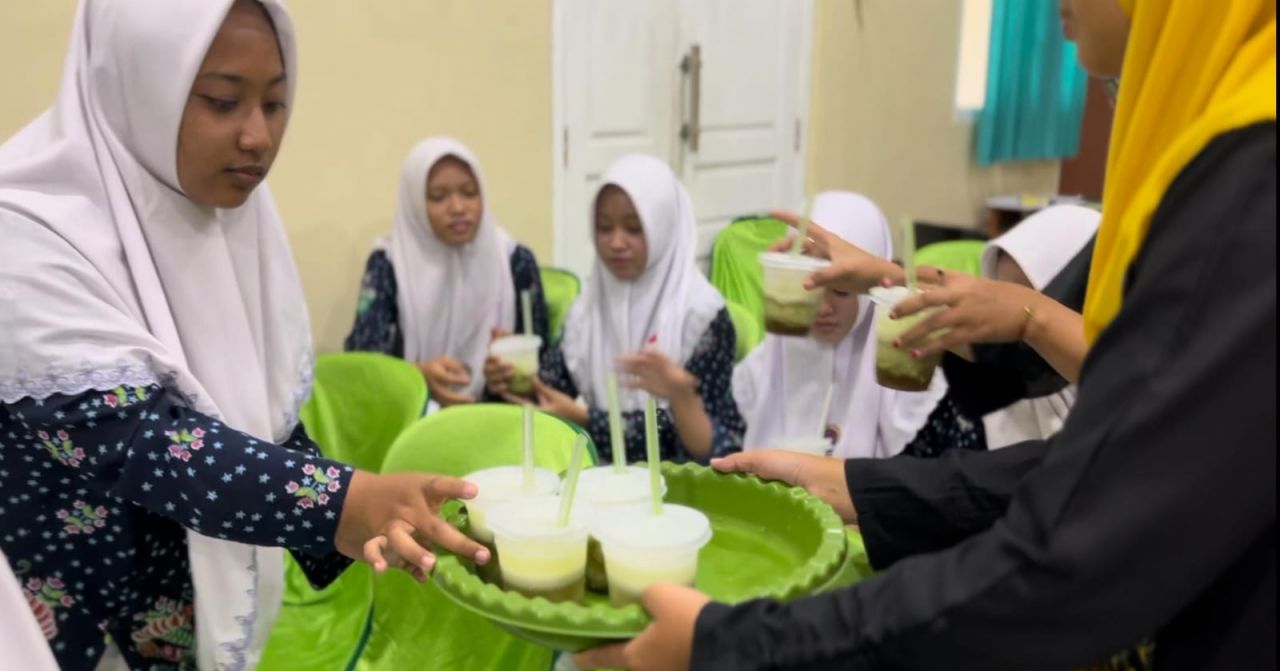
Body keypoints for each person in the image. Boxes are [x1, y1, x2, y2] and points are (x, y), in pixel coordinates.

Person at [575, 2, 1276, 671]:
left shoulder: (1252, 178)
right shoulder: (1224, 148)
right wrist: (855, 485)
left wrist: (736, 659)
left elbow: (1077, 545)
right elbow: (1108, 468)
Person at [0, 2, 486, 671]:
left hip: (179, 642)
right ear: (138, 83)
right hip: (66, 647)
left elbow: (251, 413)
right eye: (223, 101)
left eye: (275, 102)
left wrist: (382, 528)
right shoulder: (24, 231)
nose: (258, 136)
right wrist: (344, 502)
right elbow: (142, 440)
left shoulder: (226, 218)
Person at [488, 154, 744, 462]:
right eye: (604, 227)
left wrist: (678, 396)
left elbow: (717, 446)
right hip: (601, 478)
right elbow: (551, 392)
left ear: (664, 227)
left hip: (681, 483)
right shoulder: (586, 311)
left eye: (634, 228)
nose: (616, 243)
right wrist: (512, 375)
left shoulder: (701, 316)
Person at [734, 191, 982, 460]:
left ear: (869, 284)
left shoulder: (910, 379)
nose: (823, 308)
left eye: (842, 291)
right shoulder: (762, 366)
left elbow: (945, 474)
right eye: (807, 287)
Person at [343, 137, 549, 408]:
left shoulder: (514, 260)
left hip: (499, 417)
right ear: (415, 203)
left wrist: (512, 368)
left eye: (469, 192)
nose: (458, 208)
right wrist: (417, 377)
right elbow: (362, 364)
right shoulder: (389, 264)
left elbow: (548, 366)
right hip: (413, 416)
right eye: (438, 197)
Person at [974, 204, 1099, 449]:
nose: (1006, 316)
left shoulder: (1126, 404)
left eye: (1029, 300)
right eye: (1002, 294)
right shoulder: (993, 385)